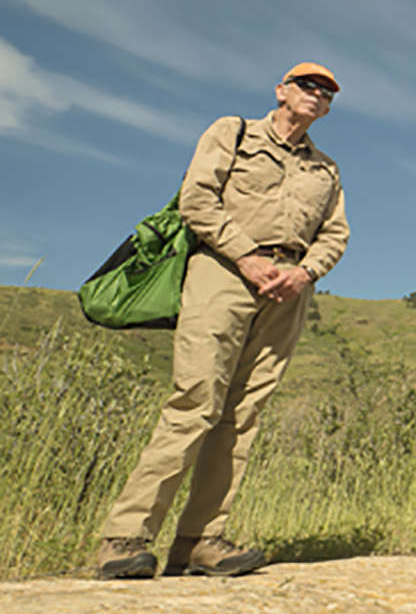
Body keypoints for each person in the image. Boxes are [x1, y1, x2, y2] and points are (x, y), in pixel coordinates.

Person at [96, 63, 351, 580]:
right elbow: (197, 200)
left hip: (286, 292)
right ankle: (125, 539)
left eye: (326, 93)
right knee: (195, 402)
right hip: (224, 273)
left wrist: (304, 273)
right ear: (281, 91)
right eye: (308, 86)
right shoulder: (232, 133)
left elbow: (335, 233)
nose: (317, 95)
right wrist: (248, 258)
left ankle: (200, 542)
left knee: (243, 414)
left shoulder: (325, 170)